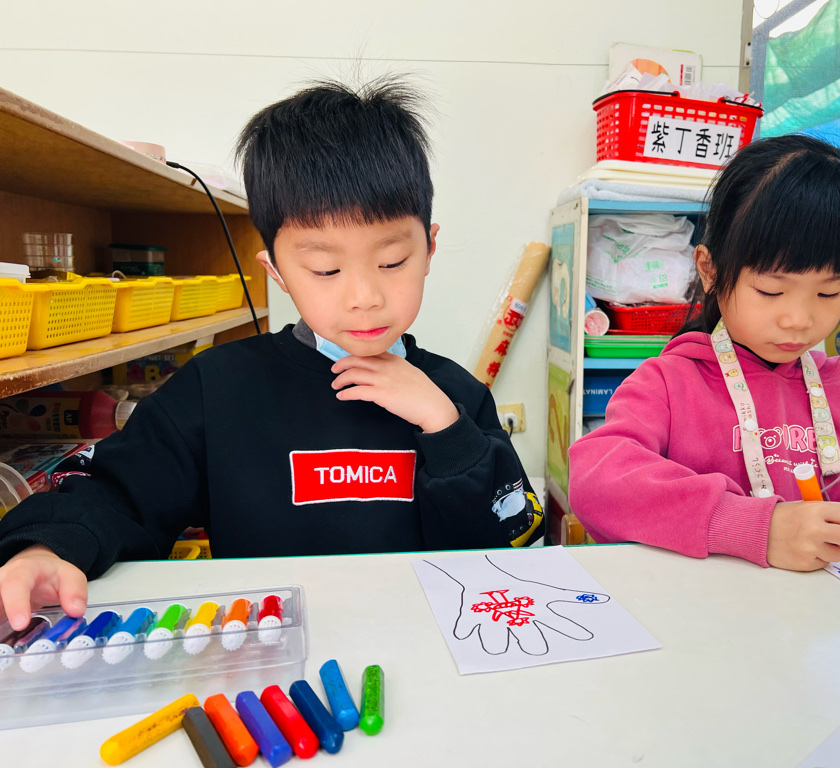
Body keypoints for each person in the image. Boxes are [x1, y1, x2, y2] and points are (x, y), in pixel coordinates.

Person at [0, 77, 543, 630]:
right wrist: (47, 548)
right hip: (266, 652)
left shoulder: (455, 395)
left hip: (424, 646)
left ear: (428, 249)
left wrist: (446, 430)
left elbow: (510, 541)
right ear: (277, 272)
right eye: (325, 269)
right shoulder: (217, 387)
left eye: (392, 261)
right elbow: (117, 492)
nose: (364, 297)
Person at [568, 134, 840, 572]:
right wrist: (749, 526)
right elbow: (597, 482)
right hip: (709, 609)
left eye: (829, 292)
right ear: (709, 270)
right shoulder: (668, 384)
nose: (799, 320)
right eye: (770, 290)